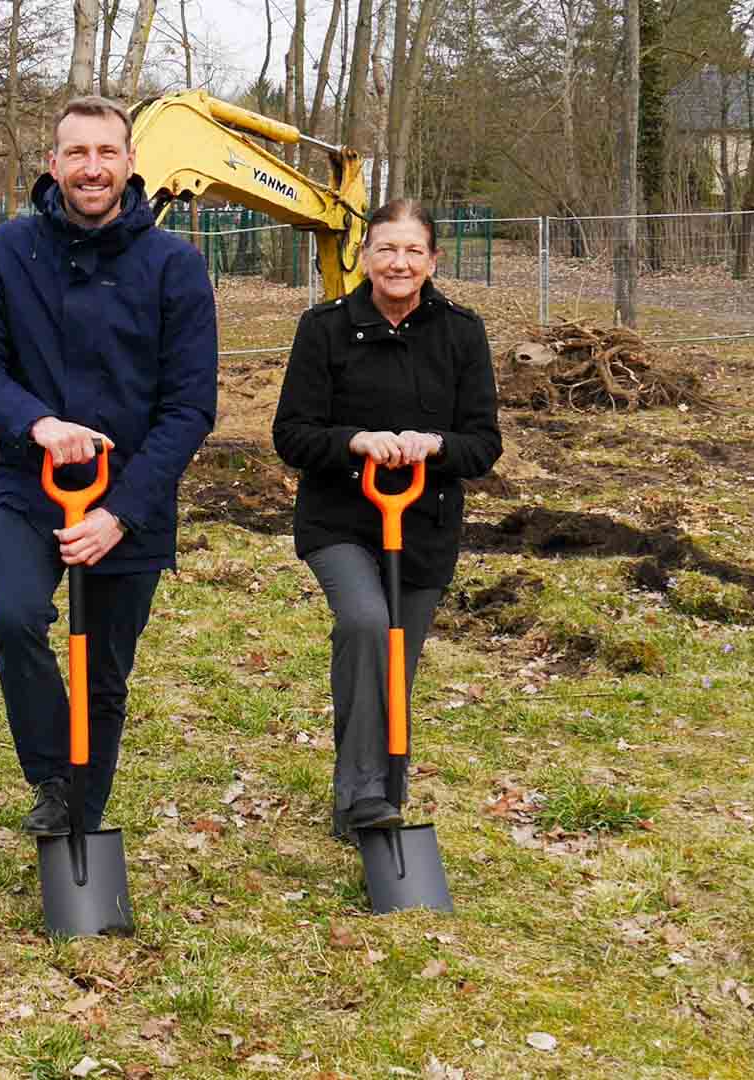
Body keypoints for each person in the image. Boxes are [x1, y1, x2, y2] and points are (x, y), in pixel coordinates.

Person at [0, 96, 220, 835]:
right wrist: (37, 423)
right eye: (77, 154)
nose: (92, 168)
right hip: (29, 484)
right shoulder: (9, 252)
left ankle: (81, 819)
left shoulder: (175, 266)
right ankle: (52, 775)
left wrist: (118, 515)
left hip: (132, 496)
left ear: (131, 163)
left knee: (103, 677)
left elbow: (190, 407)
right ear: (54, 164)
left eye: (107, 153)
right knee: (15, 620)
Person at [271, 198, 503, 838]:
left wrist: (436, 446)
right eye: (386, 249)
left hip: (423, 523)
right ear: (364, 256)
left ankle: (374, 807)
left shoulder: (461, 332)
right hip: (339, 519)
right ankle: (365, 792)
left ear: (432, 260)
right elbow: (291, 435)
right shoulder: (324, 329)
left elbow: (483, 444)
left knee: (396, 661)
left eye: (413, 251)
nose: (398, 263)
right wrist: (356, 441)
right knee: (368, 624)